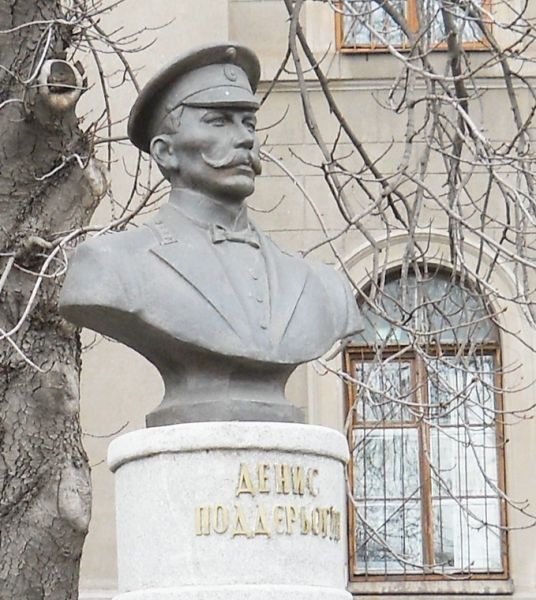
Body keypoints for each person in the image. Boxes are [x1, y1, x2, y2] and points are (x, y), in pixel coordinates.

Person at [59, 43, 361, 426]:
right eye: (219, 122)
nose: (245, 139)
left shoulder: (323, 288)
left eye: (248, 123)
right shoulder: (110, 266)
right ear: (166, 152)